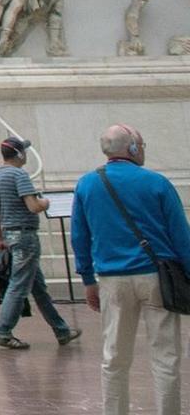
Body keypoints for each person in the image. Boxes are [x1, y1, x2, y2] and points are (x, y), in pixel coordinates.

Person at [73, 123, 190, 415]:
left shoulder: (86, 184)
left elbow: (80, 235)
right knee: (166, 357)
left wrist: (88, 279)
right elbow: (181, 235)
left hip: (112, 280)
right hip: (156, 277)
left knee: (114, 357)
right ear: (133, 148)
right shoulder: (157, 183)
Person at [0, 135, 77, 351]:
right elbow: (33, 206)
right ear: (19, 154)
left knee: (39, 288)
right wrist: (45, 202)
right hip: (25, 236)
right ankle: (2, 331)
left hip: (9, 235)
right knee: (18, 286)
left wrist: (0, 238)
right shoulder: (19, 175)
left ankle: (61, 330)